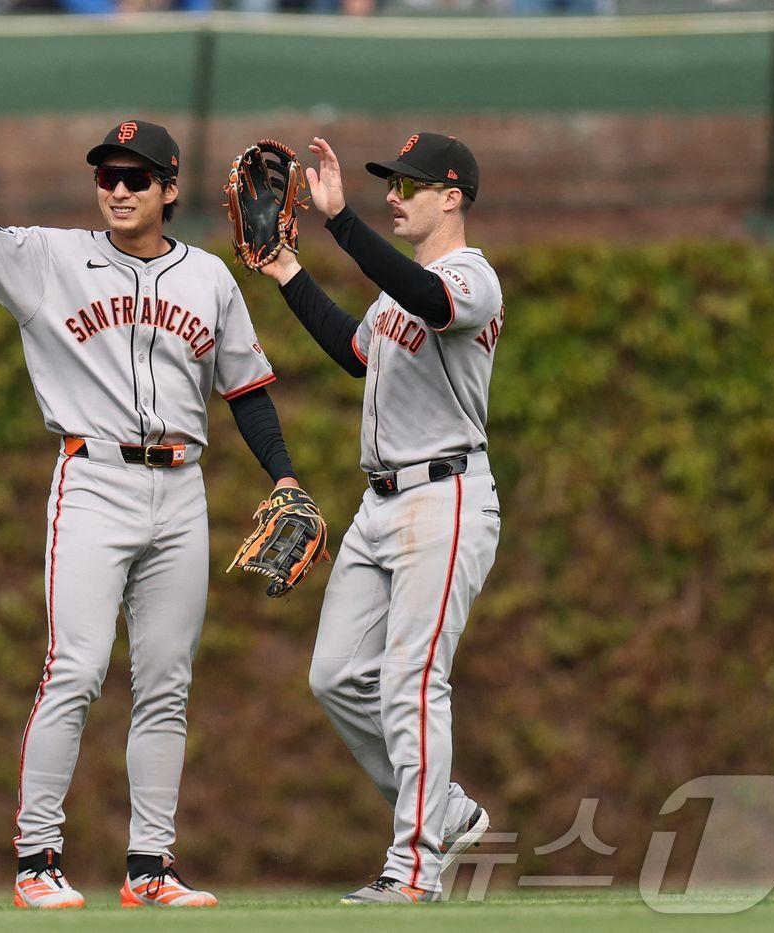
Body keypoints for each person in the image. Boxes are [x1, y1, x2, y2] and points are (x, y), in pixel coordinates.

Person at [0, 34, 317, 910]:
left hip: (183, 490)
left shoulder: (208, 276)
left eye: (137, 176)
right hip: (91, 481)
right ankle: (36, 859)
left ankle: (149, 868)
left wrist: (281, 474)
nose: (119, 189)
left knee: (166, 681)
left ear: (170, 188)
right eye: (107, 175)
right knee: (77, 667)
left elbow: (245, 389)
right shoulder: (50, 257)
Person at [255, 132, 503, 904]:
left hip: (446, 493)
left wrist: (340, 223)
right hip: (380, 503)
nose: (394, 195)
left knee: (412, 681)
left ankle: (416, 868)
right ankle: (447, 805)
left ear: (452, 196)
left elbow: (430, 300)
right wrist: (285, 270)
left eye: (408, 185)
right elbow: (354, 351)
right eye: (390, 184)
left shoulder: (470, 277)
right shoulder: (398, 290)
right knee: (335, 676)